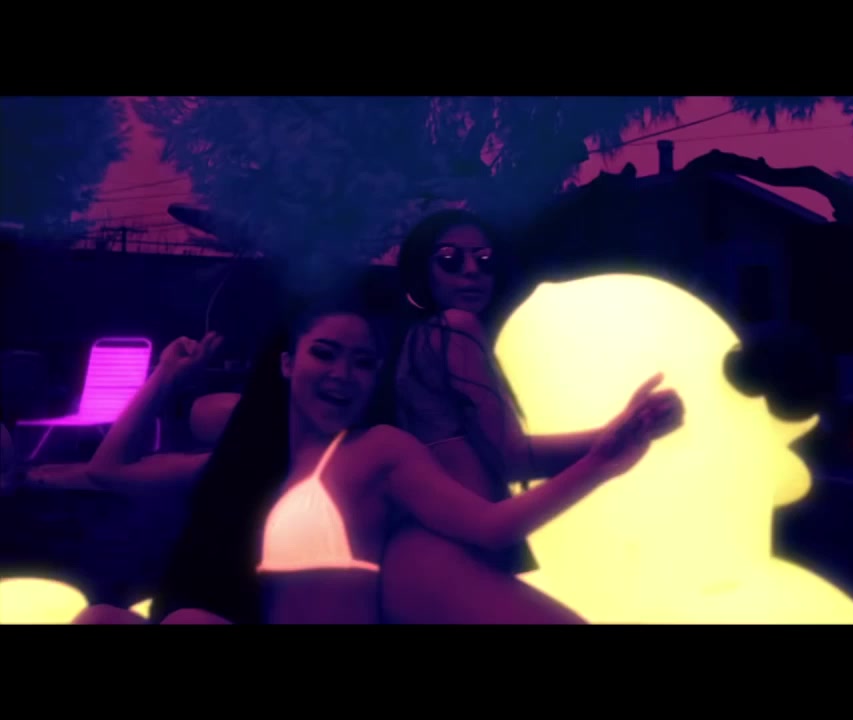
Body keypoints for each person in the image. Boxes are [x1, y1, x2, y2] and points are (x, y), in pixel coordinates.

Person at [75, 292, 683, 624]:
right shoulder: (250, 466)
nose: (343, 374)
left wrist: (601, 461)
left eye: (363, 363)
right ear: (287, 363)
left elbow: (492, 524)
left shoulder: (379, 452)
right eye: (326, 354)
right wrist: (165, 376)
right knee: (102, 619)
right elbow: (109, 470)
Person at [382, 209, 675, 623]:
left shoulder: (418, 341)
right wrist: (617, 436)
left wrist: (622, 433)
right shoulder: (454, 327)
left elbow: (505, 458)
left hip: (429, 552)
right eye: (450, 260)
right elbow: (512, 457)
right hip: (448, 552)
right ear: (422, 271)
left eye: (484, 260)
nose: (471, 271)